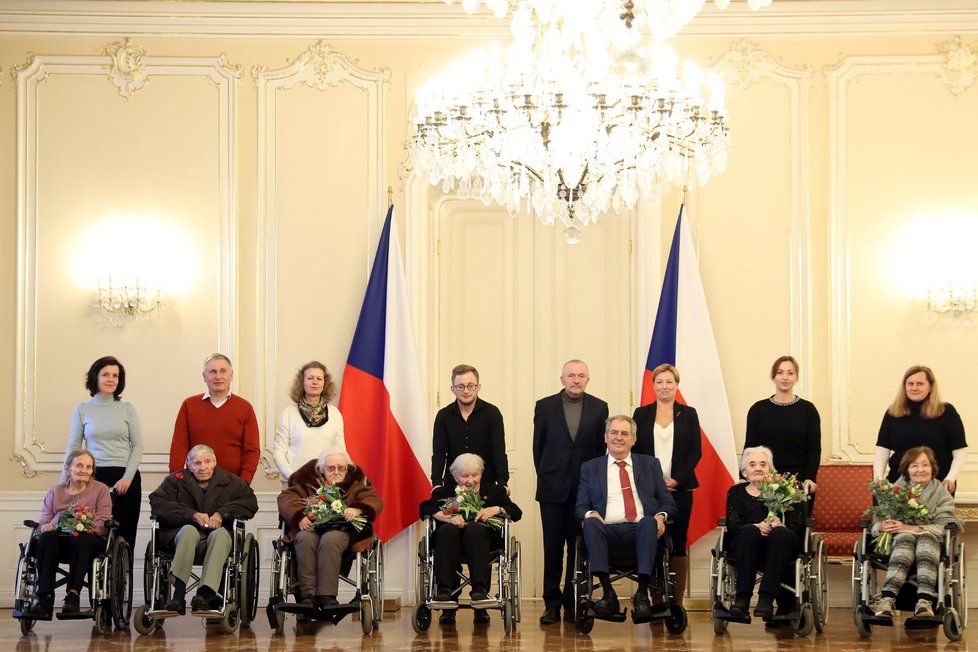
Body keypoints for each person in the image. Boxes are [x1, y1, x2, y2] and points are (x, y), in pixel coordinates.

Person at [576, 415, 677, 621]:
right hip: (606, 531)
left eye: (624, 433)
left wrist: (660, 516)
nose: (618, 438)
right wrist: (590, 513)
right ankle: (608, 592)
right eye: (614, 432)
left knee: (649, 521)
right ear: (605, 437)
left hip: (642, 530)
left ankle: (641, 594)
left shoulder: (650, 465)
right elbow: (581, 506)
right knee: (591, 522)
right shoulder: (590, 467)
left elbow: (668, 501)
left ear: (634, 439)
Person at [533, 359, 608, 624]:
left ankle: (572, 601)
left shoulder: (600, 408)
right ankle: (551, 604)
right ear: (562, 379)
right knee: (552, 548)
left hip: (583, 491)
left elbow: (601, 452)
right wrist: (548, 476)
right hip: (552, 489)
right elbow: (537, 449)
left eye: (581, 376)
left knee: (577, 549)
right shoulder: (544, 406)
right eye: (571, 375)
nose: (576, 380)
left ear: (588, 380)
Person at [149, 444, 258, 614]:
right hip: (180, 538)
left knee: (220, 534)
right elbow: (157, 503)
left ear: (215, 462)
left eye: (207, 462)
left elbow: (250, 503)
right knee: (188, 531)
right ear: (189, 465)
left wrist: (222, 513)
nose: (203, 467)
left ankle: (204, 594)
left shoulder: (230, 481)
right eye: (197, 463)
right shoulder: (174, 481)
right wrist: (191, 515)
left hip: (218, 541)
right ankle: (178, 596)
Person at [419, 453, 522, 626]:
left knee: (475, 528)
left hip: (482, 543)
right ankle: (445, 593)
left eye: (475, 475)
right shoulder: (446, 492)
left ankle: (479, 593)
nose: (470, 480)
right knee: (447, 530)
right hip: (450, 544)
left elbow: (516, 511)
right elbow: (424, 507)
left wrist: (495, 509)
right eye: (464, 476)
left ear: (481, 473)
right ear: (454, 476)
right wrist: (447, 517)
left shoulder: (493, 491)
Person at [277, 449, 382, 611]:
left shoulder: (356, 483)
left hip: (342, 530)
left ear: (347, 469)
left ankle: (327, 597)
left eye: (341, 468)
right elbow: (286, 499)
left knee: (330, 540)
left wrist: (357, 509)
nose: (336, 472)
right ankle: (308, 597)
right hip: (311, 528)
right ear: (321, 469)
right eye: (331, 468)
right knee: (304, 538)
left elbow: (373, 500)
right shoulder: (307, 482)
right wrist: (300, 516)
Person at [631, 363, 701, 605]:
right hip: (648, 491)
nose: (664, 386)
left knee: (679, 541)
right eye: (659, 382)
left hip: (680, 489)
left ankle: (677, 601)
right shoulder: (641, 414)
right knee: (652, 539)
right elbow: (636, 452)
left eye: (669, 382)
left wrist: (676, 479)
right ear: (653, 386)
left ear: (677, 385)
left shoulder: (689, 413)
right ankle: (657, 599)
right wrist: (655, 483)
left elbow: (695, 452)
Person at [64, 355, 144, 557]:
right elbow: (74, 444)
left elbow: (138, 445)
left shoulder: (127, 408)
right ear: (95, 377)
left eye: (115, 376)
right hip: (92, 476)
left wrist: (127, 477)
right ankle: (93, 584)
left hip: (125, 477)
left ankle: (121, 585)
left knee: (124, 535)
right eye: (106, 374)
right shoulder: (83, 408)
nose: (111, 379)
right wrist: (66, 479)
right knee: (92, 530)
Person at [872, 446, 963, 619]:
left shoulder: (941, 492)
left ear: (932, 468)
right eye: (914, 465)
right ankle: (887, 599)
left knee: (925, 538)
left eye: (925, 465)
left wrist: (915, 528)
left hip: (930, 542)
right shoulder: (894, 491)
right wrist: (882, 526)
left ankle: (924, 601)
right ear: (907, 469)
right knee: (905, 538)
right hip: (898, 543)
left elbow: (947, 523)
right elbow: (876, 521)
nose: (920, 470)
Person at [26, 450, 113, 618]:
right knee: (46, 538)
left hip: (88, 541)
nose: (84, 470)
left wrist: (82, 525)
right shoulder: (55, 491)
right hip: (58, 542)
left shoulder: (100, 489)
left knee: (80, 538)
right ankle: (44, 598)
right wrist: (46, 527)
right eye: (79, 465)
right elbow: (44, 520)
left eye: (89, 467)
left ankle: (72, 597)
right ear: (68, 469)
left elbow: (103, 522)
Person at [724, 446, 806, 619]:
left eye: (763, 464)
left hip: (782, 546)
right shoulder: (736, 492)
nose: (758, 468)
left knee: (780, 534)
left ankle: (766, 599)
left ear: (771, 470)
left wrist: (780, 524)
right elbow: (732, 525)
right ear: (744, 471)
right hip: (747, 546)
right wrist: (756, 526)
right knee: (748, 531)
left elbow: (798, 525)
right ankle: (743, 598)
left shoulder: (786, 489)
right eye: (752, 464)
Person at [169, 353, 261, 484]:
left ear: (231, 375)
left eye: (223, 371)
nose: (218, 376)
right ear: (204, 377)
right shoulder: (189, 405)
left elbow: (252, 450)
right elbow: (179, 446)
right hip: (195, 484)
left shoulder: (245, 407)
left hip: (233, 484)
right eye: (212, 372)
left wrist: (244, 483)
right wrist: (177, 481)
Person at [875, 365, 967, 493]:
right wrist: (878, 480)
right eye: (910, 383)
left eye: (920, 384)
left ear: (930, 387)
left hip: (938, 485)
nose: (914, 388)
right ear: (904, 387)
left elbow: (960, 452)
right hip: (898, 483)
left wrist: (950, 479)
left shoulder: (947, 412)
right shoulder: (892, 412)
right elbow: (882, 450)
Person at [745, 355, 821, 498]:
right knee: (764, 521)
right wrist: (744, 477)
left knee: (793, 521)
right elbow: (749, 447)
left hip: (798, 481)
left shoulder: (808, 410)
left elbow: (814, 448)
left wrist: (810, 478)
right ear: (773, 376)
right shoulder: (758, 409)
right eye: (780, 372)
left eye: (790, 373)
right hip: (763, 479)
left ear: (796, 377)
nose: (785, 377)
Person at [431, 364, 509, 491]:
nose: (466, 391)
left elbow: (498, 451)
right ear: (453, 389)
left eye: (470, 385)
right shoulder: (443, 416)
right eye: (460, 386)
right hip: (453, 484)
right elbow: (439, 453)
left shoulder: (492, 413)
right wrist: (436, 483)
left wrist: (502, 482)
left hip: (486, 483)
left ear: (478, 387)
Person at [273, 361, 346, 485]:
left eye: (319, 378)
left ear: (325, 383)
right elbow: (278, 452)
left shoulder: (335, 414)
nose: (315, 382)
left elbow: (341, 451)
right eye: (310, 378)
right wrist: (293, 477)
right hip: (295, 484)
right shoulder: (288, 413)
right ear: (302, 382)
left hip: (328, 485)